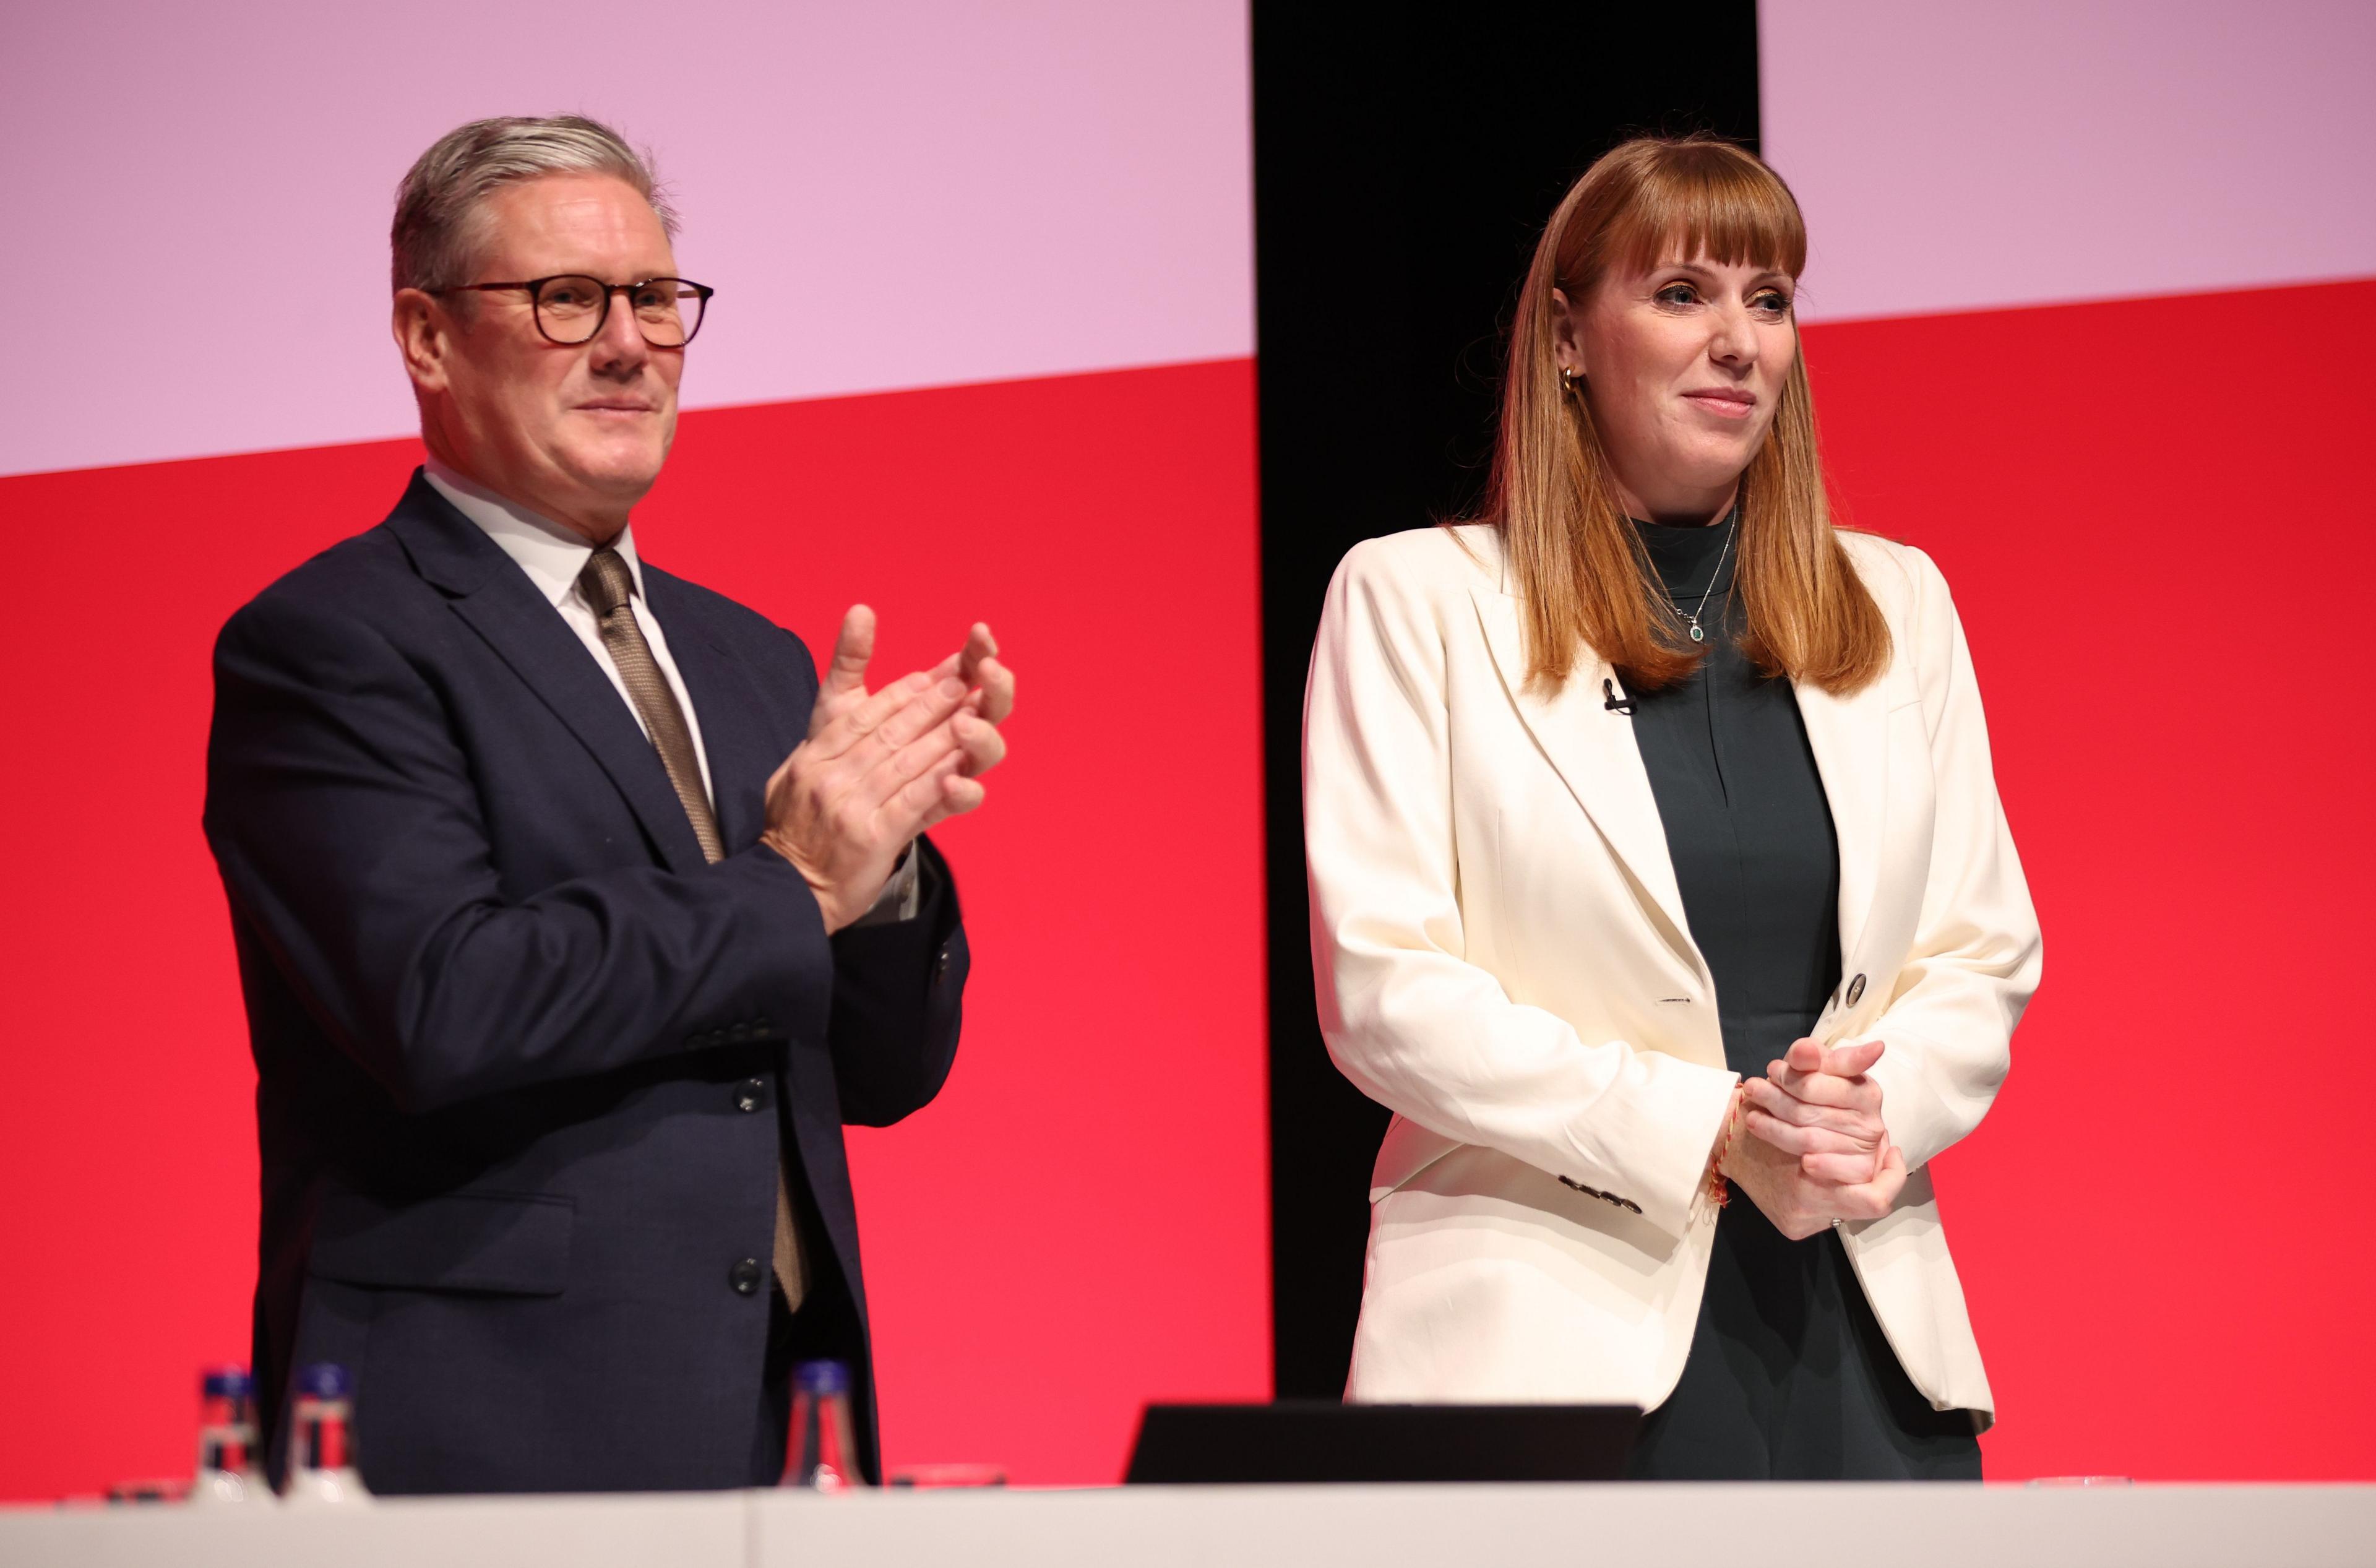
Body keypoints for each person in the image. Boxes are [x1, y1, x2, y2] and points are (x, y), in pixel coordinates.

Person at [203, 115, 1015, 1493]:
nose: (629, 342)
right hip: (485, 1429)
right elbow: (442, 1001)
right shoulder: (332, 643)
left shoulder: (751, 657)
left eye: (654, 298)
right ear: (428, 338)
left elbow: (880, 1073)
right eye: (567, 299)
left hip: (776, 1429)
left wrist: (882, 869)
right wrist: (794, 881)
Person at [1301, 135, 2041, 1479]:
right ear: (1573, 337)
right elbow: (1384, 991)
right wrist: (1705, 1130)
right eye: (1685, 293)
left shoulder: (1899, 601)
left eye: (1769, 299)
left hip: (1858, 1319)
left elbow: (1981, 948)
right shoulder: (1415, 600)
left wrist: (1872, 1118)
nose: (1739, 342)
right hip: (1547, 1340)